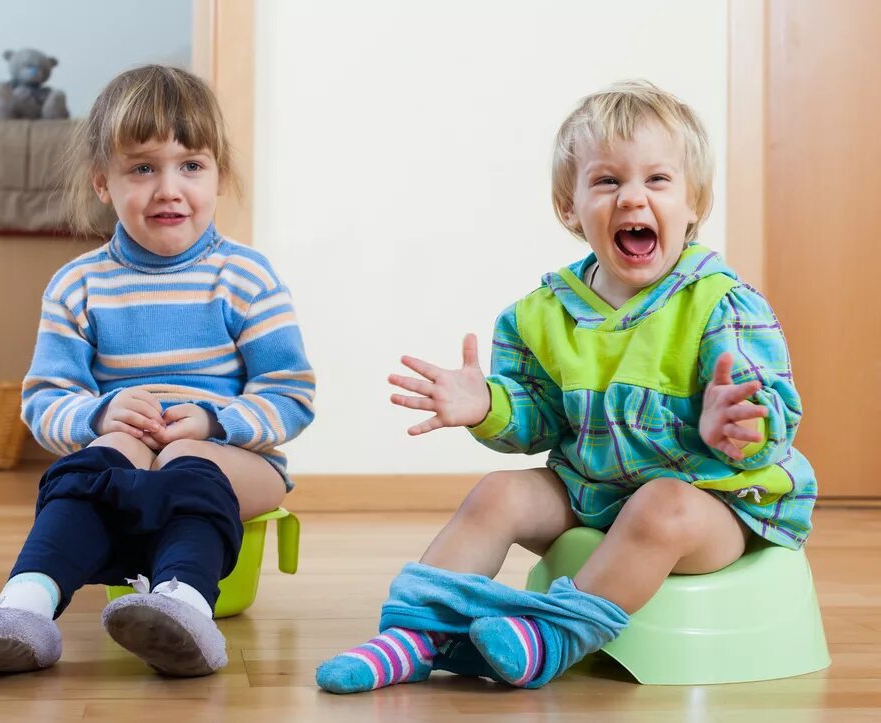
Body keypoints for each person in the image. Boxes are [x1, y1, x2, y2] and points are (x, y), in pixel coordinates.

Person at [316, 79, 816, 693]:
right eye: (607, 181)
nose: (632, 198)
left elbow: (767, 405)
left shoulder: (721, 303)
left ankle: (555, 635)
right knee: (499, 493)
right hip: (596, 490)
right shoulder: (541, 314)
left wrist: (737, 428)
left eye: (657, 180)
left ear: (694, 204)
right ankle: (417, 634)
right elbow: (540, 423)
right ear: (569, 208)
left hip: (716, 501)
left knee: (661, 505)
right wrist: (488, 406)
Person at [0, 65, 315, 677]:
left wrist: (214, 421)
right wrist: (98, 414)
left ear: (218, 174)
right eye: (143, 168)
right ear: (102, 182)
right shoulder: (79, 285)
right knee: (89, 467)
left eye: (190, 165)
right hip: (127, 459)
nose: (168, 188)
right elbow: (45, 398)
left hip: (234, 459)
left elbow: (290, 394)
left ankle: (184, 606)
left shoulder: (246, 278)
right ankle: (25, 608)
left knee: (182, 466)